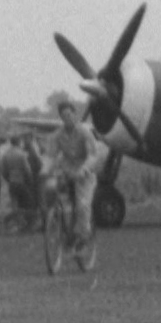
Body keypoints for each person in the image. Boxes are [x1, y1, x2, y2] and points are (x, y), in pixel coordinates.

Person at [41, 92, 103, 270]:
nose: (67, 118)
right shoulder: (58, 135)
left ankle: (83, 239)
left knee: (83, 206)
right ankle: (60, 227)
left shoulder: (84, 132)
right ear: (60, 118)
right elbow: (51, 156)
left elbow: (92, 155)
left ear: (75, 114)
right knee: (55, 196)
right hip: (67, 171)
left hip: (84, 175)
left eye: (70, 114)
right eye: (63, 116)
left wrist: (83, 170)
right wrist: (45, 171)